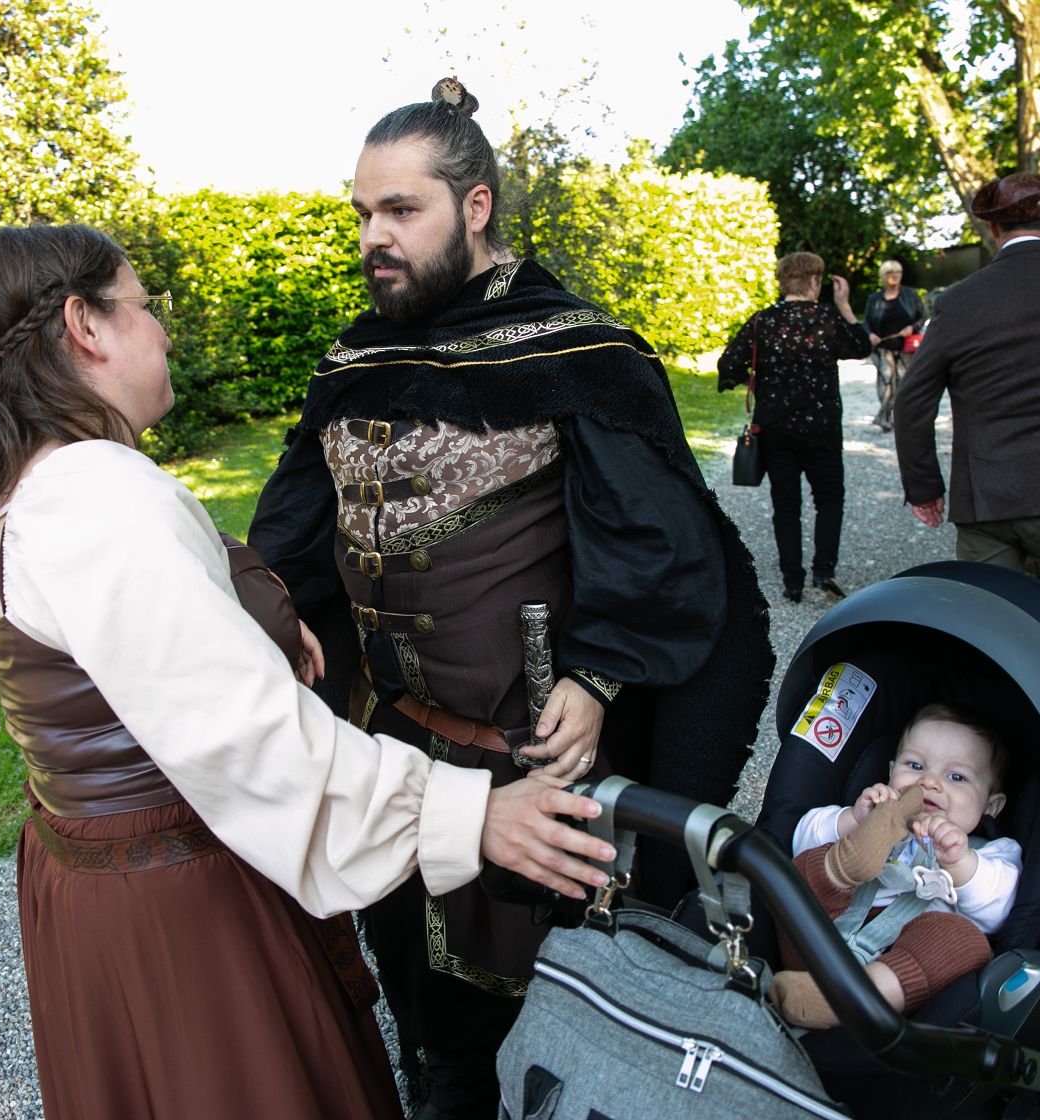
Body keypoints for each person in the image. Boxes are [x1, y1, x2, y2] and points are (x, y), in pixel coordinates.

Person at [0, 222, 618, 1120]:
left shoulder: (37, 485)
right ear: (83, 325)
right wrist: (471, 813)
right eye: (145, 305)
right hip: (181, 904)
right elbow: (242, 736)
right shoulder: (96, 497)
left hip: (108, 884)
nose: (164, 332)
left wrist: (265, 624)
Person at [248, 79, 773, 1119]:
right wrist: (271, 615)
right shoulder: (354, 356)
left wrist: (598, 673)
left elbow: (660, 544)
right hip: (396, 764)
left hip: (537, 769)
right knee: (431, 1030)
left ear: (475, 206)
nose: (375, 237)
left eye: (402, 210)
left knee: (563, 1029)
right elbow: (295, 528)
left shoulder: (577, 350)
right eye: (363, 213)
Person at [894, 171, 1040, 625]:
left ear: (993, 228)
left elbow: (912, 400)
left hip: (988, 492)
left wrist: (924, 487)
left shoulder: (959, 300)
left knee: (986, 626)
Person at [770, 704, 1020, 1029]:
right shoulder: (874, 813)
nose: (929, 781)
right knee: (804, 866)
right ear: (891, 771)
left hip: (901, 964)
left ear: (991, 805)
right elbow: (801, 838)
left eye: (956, 777)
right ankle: (852, 861)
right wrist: (854, 821)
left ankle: (849, 998)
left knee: (965, 942)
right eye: (915, 765)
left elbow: (999, 910)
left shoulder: (990, 853)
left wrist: (960, 863)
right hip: (817, 937)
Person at [717, 252, 870, 602]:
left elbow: (728, 367)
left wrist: (752, 375)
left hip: (776, 429)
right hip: (822, 429)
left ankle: (792, 581)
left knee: (785, 504)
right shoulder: (827, 318)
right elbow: (861, 347)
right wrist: (845, 305)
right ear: (815, 281)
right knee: (829, 498)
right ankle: (823, 572)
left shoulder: (763, 321)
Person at [862, 259, 926, 432]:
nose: (895, 276)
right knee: (886, 384)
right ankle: (885, 417)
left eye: (898, 272)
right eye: (890, 273)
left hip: (906, 347)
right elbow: (866, 323)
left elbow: (922, 316)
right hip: (884, 348)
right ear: (883, 276)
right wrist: (870, 335)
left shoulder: (910, 294)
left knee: (905, 384)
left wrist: (912, 328)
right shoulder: (874, 299)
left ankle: (903, 418)